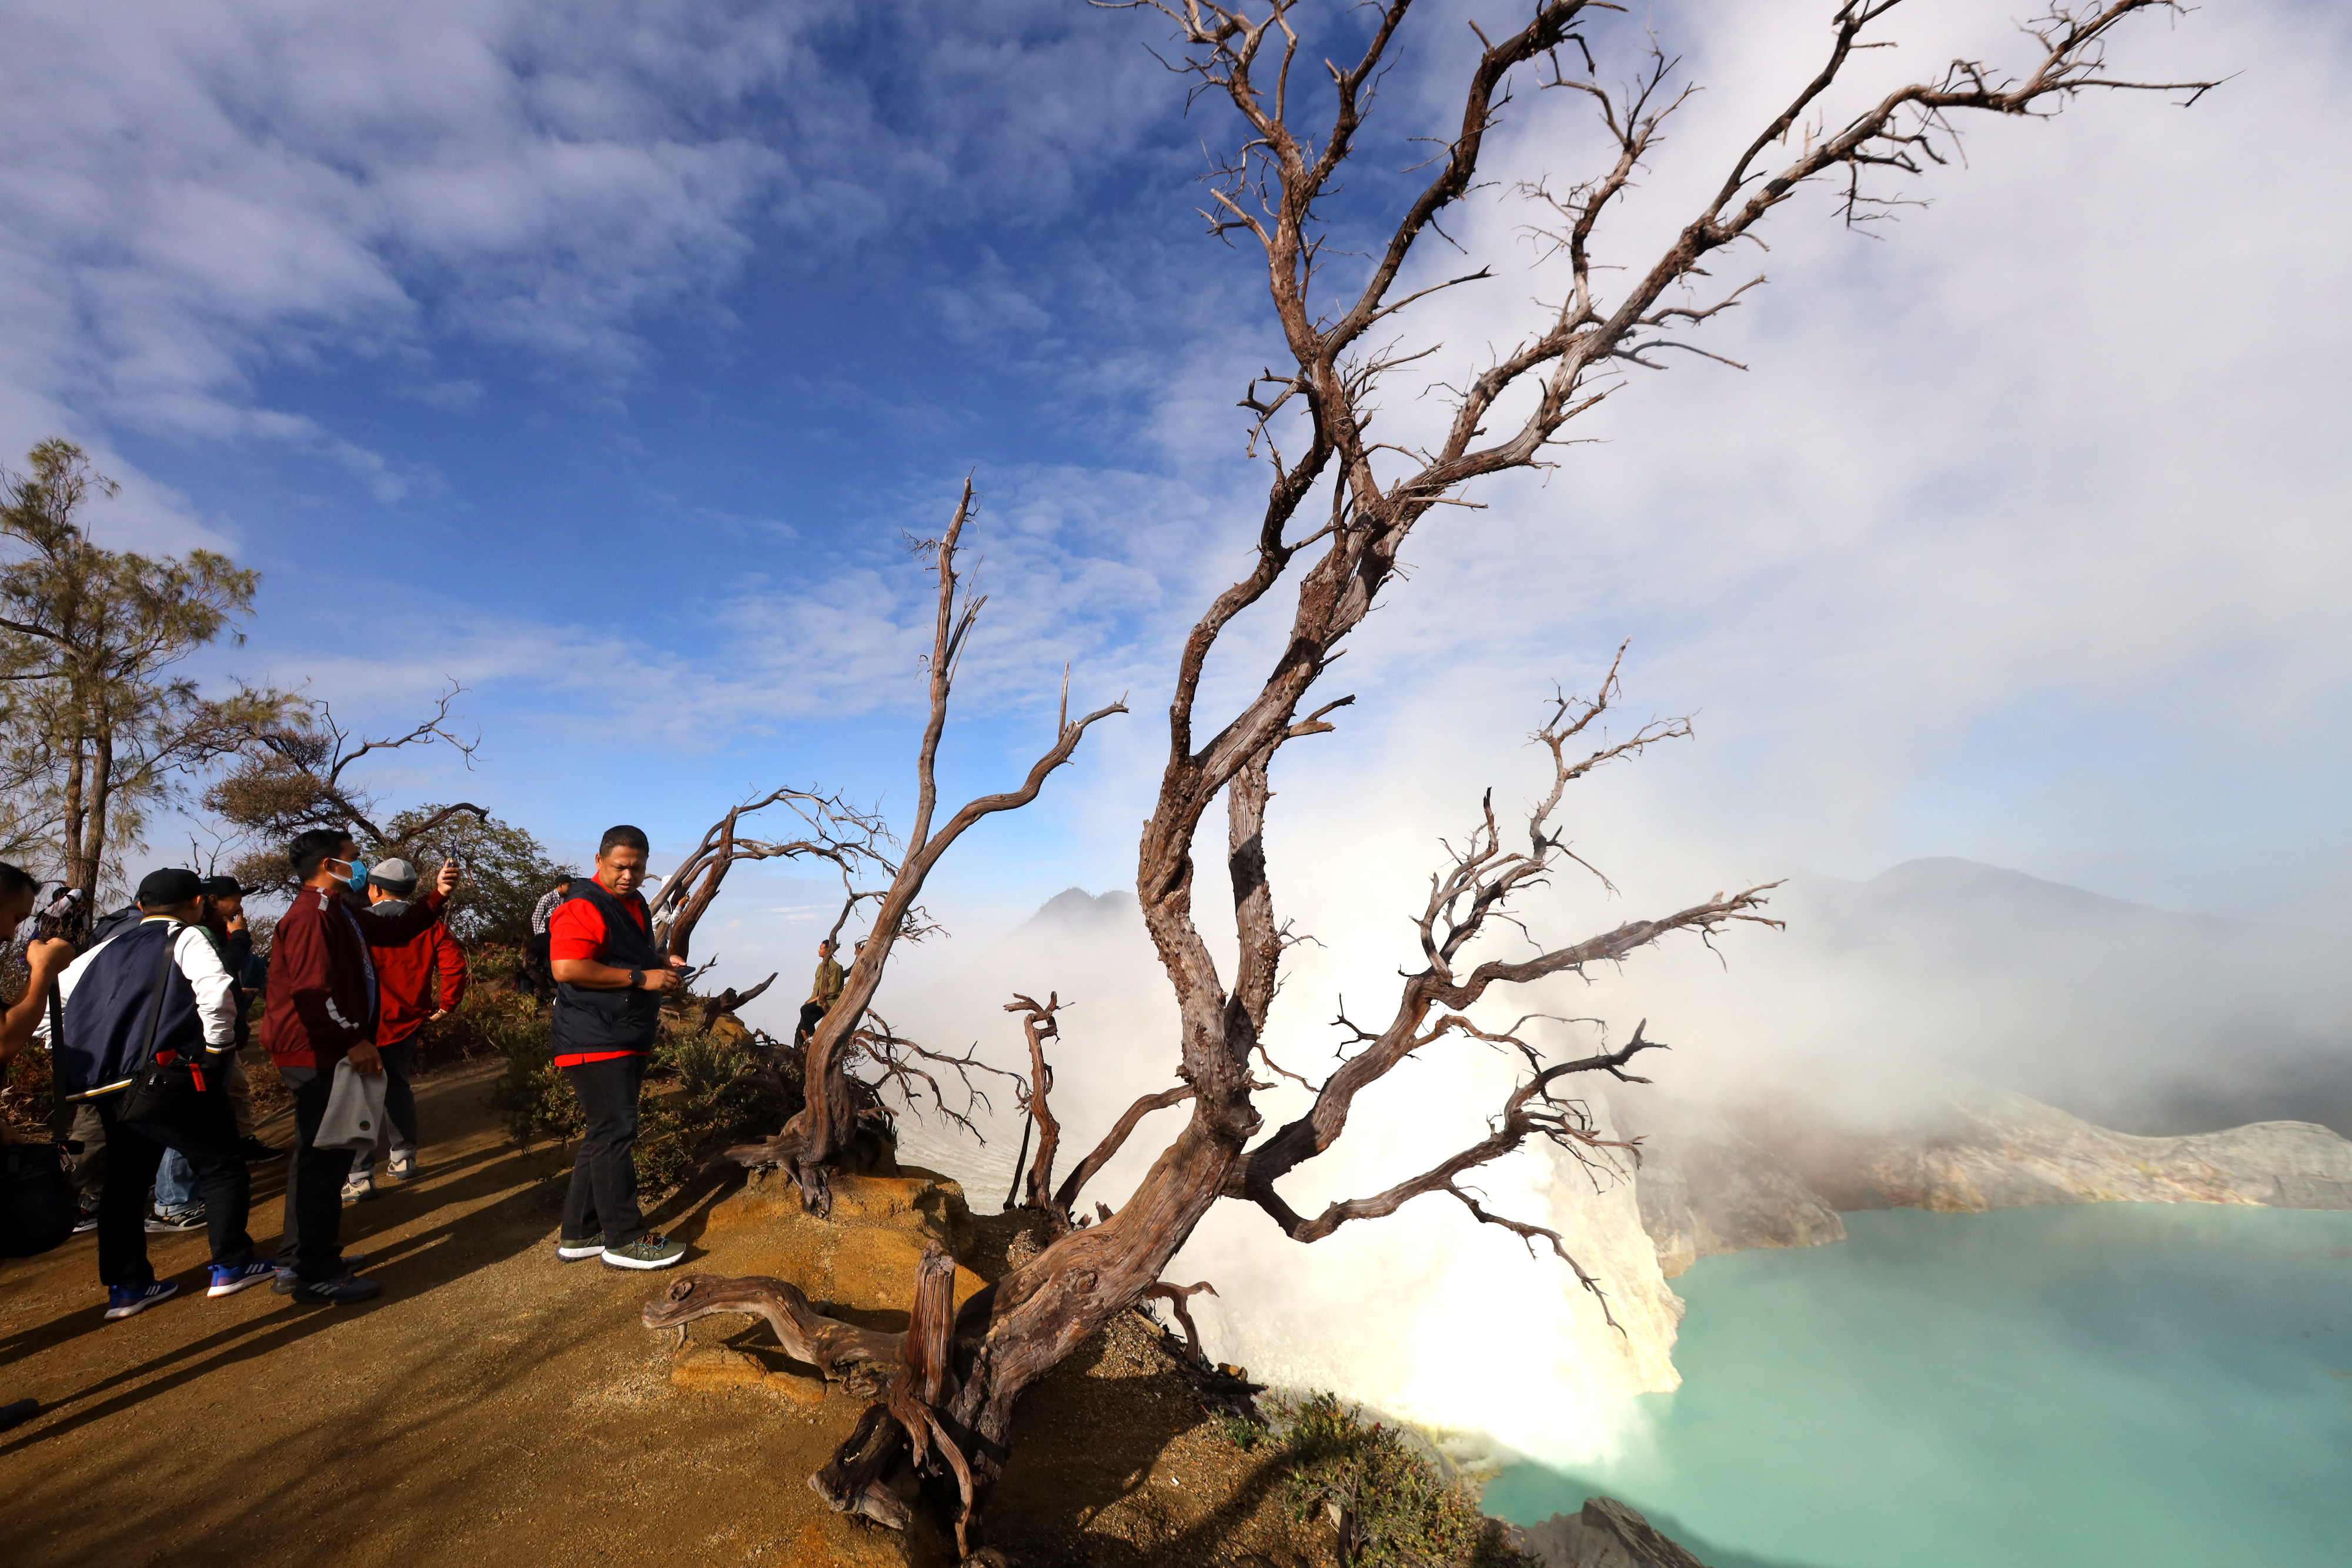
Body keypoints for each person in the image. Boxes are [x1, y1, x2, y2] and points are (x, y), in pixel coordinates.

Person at [36, 868, 275, 1319]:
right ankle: (232, 1264)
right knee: (222, 1164)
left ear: (141, 906)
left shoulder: (104, 949)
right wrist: (216, 1053)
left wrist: (72, 1054)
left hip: (107, 1085)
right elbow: (217, 995)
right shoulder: (187, 937)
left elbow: (54, 1001)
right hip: (166, 1077)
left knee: (125, 1180)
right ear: (198, 903)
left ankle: (128, 1287)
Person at [265, 828, 462, 1305]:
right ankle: (315, 1271)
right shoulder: (312, 916)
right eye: (353, 858)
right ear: (328, 864)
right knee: (322, 1162)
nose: (360, 866)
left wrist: (438, 894)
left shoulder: (339, 911)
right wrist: (353, 1040)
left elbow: (395, 931)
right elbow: (313, 993)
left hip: (325, 1048)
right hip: (316, 1053)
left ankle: (304, 1259)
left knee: (321, 1159)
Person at [547, 826, 687, 1271]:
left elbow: (619, 953)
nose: (629, 875)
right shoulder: (583, 905)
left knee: (603, 1133)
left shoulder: (635, 903)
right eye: (620, 866)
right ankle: (624, 1238)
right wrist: (641, 978)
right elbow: (567, 967)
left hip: (620, 1033)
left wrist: (658, 961)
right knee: (615, 1132)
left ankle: (581, 1231)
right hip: (595, 1037)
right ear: (599, 861)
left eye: (637, 867)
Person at [344, 857, 467, 1198]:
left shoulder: (358, 924)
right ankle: (403, 1157)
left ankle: (360, 1175)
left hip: (362, 1027)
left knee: (361, 1097)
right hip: (407, 1022)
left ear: (374, 888)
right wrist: (446, 1005)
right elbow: (454, 965)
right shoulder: (428, 924)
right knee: (397, 1088)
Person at [526, 874, 574, 999]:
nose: (571, 887)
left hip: (560, 935)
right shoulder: (548, 898)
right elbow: (537, 918)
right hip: (546, 935)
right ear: (561, 886)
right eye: (569, 885)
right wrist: (539, 937)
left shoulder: (569, 898)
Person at [796, 937, 843, 1047]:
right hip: (818, 1003)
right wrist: (811, 1000)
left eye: (821, 948)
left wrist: (816, 999)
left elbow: (833, 991)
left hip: (828, 1003)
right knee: (800, 1029)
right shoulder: (820, 967)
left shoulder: (835, 967)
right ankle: (797, 1052)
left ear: (828, 950)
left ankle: (813, 1037)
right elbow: (816, 989)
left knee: (804, 1010)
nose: (819, 950)